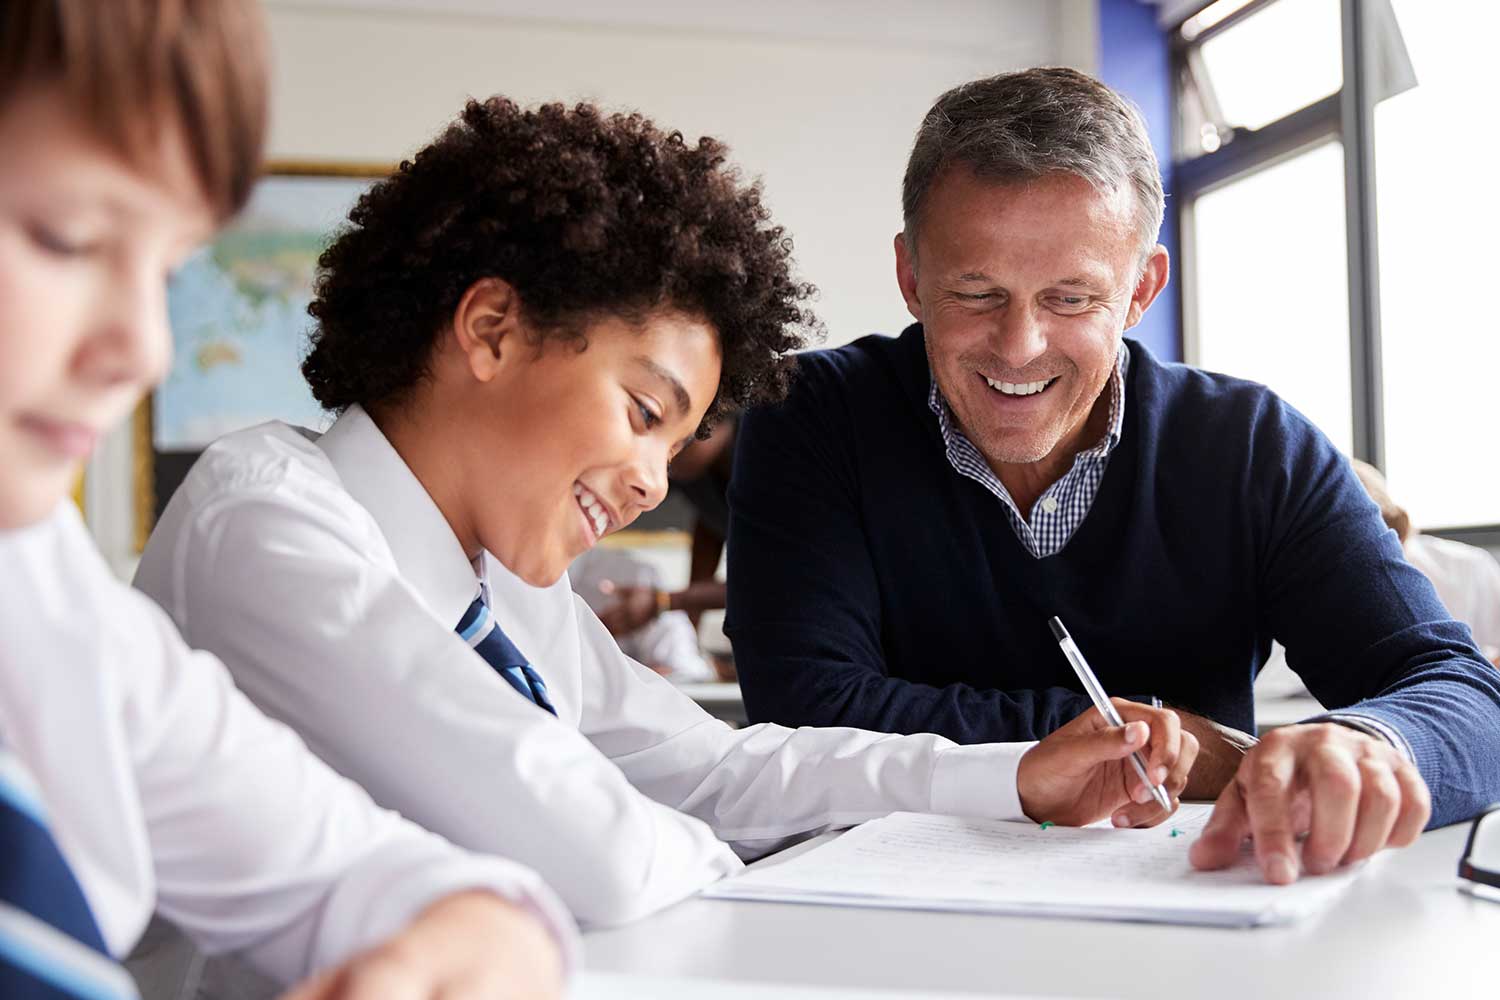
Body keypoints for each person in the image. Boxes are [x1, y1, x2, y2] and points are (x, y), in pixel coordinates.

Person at [136, 96, 1201, 930]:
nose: (653, 480)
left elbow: (714, 767)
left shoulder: (504, 584)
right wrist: (756, 866)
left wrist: (1010, 775)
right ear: (493, 328)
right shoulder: (268, 524)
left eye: (673, 439)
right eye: (644, 412)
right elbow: (585, 846)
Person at [726, 67, 1500, 886]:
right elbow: (807, 712)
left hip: (1194, 909)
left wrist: (1365, 749)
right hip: (875, 917)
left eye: (1070, 298)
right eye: (977, 292)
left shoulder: (1250, 445)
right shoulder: (810, 416)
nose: (1019, 345)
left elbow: (1464, 696)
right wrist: (1184, 749)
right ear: (911, 277)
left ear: (1140, 289)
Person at [0, 2, 576, 998]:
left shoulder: (43, 589)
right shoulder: (265, 511)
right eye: (66, 237)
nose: (145, 350)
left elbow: (366, 871)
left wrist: (475, 936)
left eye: (170, 270)